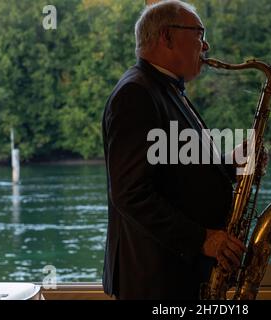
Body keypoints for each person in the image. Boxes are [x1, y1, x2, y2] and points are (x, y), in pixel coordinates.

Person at [102, 0, 248, 300]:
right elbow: (129, 193)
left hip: (172, 274)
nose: (205, 45)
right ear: (167, 37)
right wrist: (203, 239)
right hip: (156, 280)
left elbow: (177, 170)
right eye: (199, 33)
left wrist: (232, 165)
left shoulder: (164, 88)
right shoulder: (137, 93)